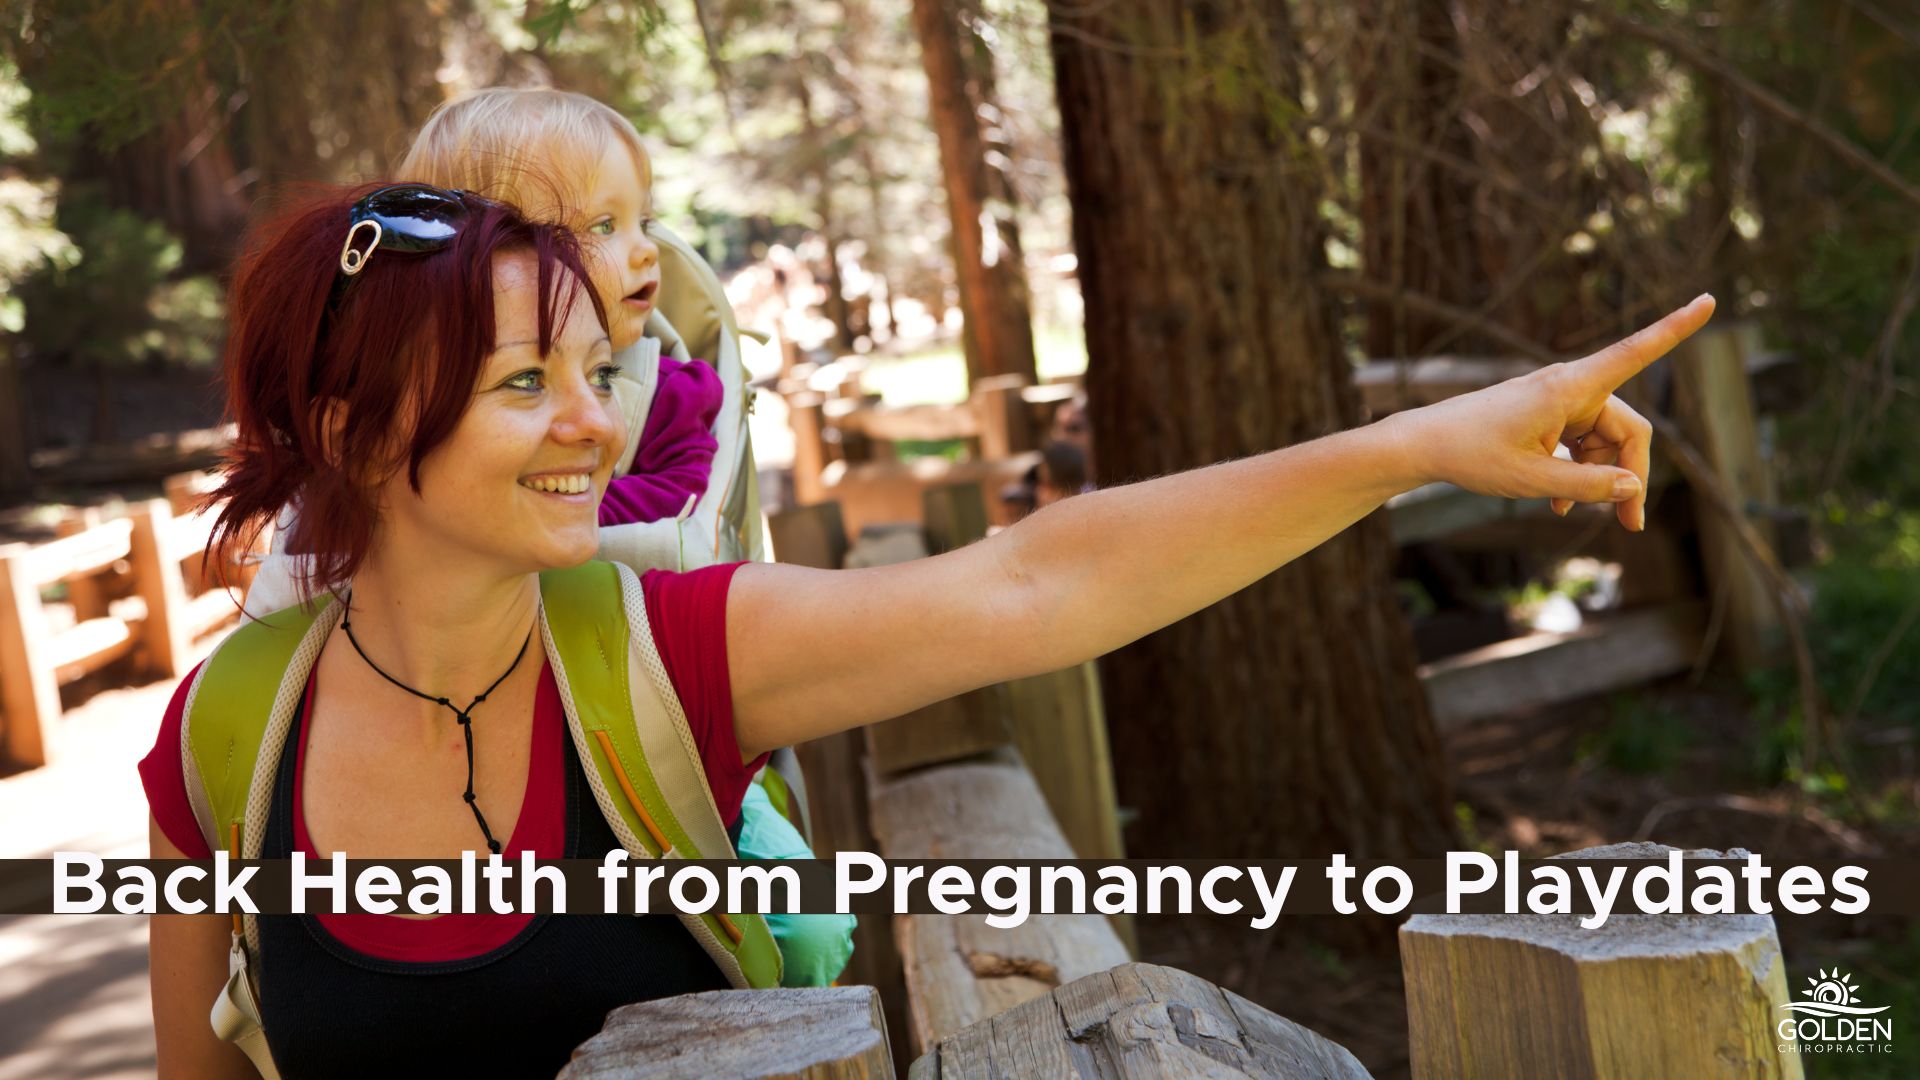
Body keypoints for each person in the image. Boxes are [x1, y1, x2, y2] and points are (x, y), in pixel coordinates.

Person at [145, 180, 1712, 1077]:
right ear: (353, 435)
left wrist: (1416, 446)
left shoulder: (667, 657)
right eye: (518, 385)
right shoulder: (231, 732)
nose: (597, 428)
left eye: (592, 370)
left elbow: (1038, 582)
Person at [236, 86, 853, 989]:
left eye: (643, 217)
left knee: (803, 928)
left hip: (641, 711)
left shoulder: (668, 386)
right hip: (453, 735)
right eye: (604, 224)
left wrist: (528, 515)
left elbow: (680, 497)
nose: (644, 249)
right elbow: (292, 593)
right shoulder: (406, 426)